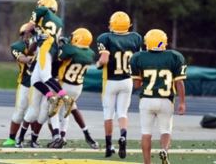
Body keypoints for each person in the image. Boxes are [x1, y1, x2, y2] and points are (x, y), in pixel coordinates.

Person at [20, 0, 73, 148]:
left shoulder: (41, 10)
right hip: (51, 48)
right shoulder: (59, 21)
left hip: (45, 47)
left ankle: (65, 98)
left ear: (44, 6)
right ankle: (51, 97)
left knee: (45, 76)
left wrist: (26, 34)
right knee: (35, 80)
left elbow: (30, 26)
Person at [130, 29, 187, 164]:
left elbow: (137, 85)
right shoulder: (175, 56)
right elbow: (179, 82)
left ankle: (147, 162)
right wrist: (182, 102)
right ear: (164, 42)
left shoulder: (138, 57)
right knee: (165, 131)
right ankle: (164, 150)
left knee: (146, 133)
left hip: (146, 100)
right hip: (166, 101)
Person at [96, 11, 142, 158]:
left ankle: (109, 146)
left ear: (112, 23)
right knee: (122, 113)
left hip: (110, 81)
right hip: (127, 80)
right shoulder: (136, 38)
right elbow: (138, 60)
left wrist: (98, 64)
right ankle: (123, 136)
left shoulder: (105, 38)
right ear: (128, 24)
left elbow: (103, 60)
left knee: (108, 114)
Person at [54, 27, 99, 149]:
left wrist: (61, 46)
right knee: (67, 111)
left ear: (78, 38)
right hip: (77, 87)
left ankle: (57, 137)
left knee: (53, 111)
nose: (71, 38)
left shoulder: (70, 50)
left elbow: (58, 58)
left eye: (74, 37)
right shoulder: (91, 53)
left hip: (65, 84)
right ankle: (70, 136)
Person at [2, 23, 35, 147]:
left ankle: (33, 139)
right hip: (25, 83)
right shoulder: (17, 46)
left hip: (39, 84)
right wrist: (33, 59)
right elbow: (22, 58)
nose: (27, 36)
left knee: (37, 113)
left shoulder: (42, 45)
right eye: (24, 34)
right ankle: (11, 138)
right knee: (20, 111)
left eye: (30, 33)